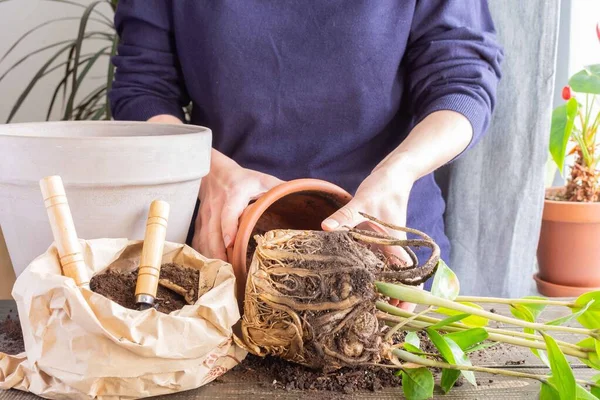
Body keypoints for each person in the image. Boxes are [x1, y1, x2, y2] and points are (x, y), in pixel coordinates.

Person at [109, 0, 503, 303]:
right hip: (229, 253)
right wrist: (206, 171)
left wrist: (399, 170)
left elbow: (462, 79)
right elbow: (142, 89)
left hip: (385, 250)